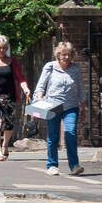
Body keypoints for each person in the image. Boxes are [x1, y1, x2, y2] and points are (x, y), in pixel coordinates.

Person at [34, 41, 85, 176]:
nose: (66, 58)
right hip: (53, 105)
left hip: (71, 106)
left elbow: (80, 87)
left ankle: (74, 165)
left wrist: (83, 105)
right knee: (53, 135)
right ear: (58, 55)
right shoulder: (50, 67)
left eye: (69, 55)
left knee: (71, 133)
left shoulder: (75, 69)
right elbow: (41, 85)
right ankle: (52, 165)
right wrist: (39, 96)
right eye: (64, 55)